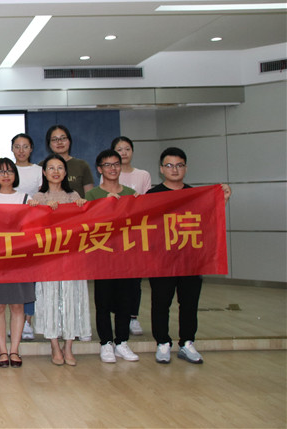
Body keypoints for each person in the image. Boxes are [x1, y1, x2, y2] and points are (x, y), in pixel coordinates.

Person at [148, 147, 232, 364]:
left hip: (190, 261)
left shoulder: (196, 195)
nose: (174, 169)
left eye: (179, 165)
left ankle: (187, 343)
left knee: (189, 304)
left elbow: (209, 221)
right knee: (160, 303)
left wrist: (221, 201)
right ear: (161, 169)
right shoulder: (151, 196)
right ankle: (162, 343)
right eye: (169, 165)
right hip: (162, 262)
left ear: (185, 168)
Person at [29, 153, 90, 366]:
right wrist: (43, 210)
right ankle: (54, 345)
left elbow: (85, 226)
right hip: (48, 259)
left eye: (60, 168)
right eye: (51, 168)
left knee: (72, 299)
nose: (56, 172)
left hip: (72, 258)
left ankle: (69, 346)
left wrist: (82, 207)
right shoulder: (38, 198)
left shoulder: (74, 196)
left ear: (65, 172)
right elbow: (32, 228)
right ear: (44, 173)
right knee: (50, 299)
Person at [0, 158, 35, 368]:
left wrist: (35, 209)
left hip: (20, 260)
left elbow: (34, 227)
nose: (6, 175)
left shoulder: (26, 198)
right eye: (1, 171)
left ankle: (15, 350)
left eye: (10, 171)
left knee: (18, 306)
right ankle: (2, 350)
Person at [85, 149, 140, 364]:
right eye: (107, 165)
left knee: (125, 301)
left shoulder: (131, 194)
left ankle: (122, 341)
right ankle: (106, 343)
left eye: (116, 164)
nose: (112, 168)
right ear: (100, 169)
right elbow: (87, 224)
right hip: (102, 256)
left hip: (126, 256)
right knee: (103, 302)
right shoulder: (92, 195)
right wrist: (104, 205)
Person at [106, 136, 151, 336]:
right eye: (119, 149)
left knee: (134, 278)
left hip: (135, 233)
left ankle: (133, 316)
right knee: (114, 278)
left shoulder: (143, 175)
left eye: (127, 149)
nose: (123, 153)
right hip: (113, 235)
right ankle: (117, 315)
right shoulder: (108, 174)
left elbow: (150, 202)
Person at [11, 133, 42, 340]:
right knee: (12, 278)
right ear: (12, 149)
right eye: (17, 146)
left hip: (31, 230)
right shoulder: (7, 169)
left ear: (31, 149)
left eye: (25, 146)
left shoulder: (39, 171)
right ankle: (14, 320)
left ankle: (27, 321)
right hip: (8, 232)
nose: (21, 150)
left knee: (30, 278)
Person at [45, 124, 94, 198]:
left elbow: (90, 196)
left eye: (63, 138)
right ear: (49, 144)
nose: (59, 142)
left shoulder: (82, 165)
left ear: (69, 141)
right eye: (54, 139)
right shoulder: (42, 166)